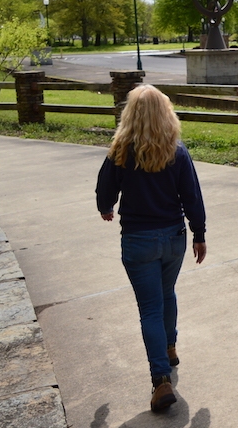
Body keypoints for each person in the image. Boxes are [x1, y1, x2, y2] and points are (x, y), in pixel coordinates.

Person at [95, 84, 207, 412]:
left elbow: (104, 189)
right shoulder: (177, 150)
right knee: (166, 293)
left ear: (130, 114)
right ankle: (169, 346)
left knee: (150, 308)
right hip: (173, 238)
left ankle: (161, 380)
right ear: (165, 112)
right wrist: (199, 234)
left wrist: (106, 206)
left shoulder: (120, 149)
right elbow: (192, 196)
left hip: (139, 239)